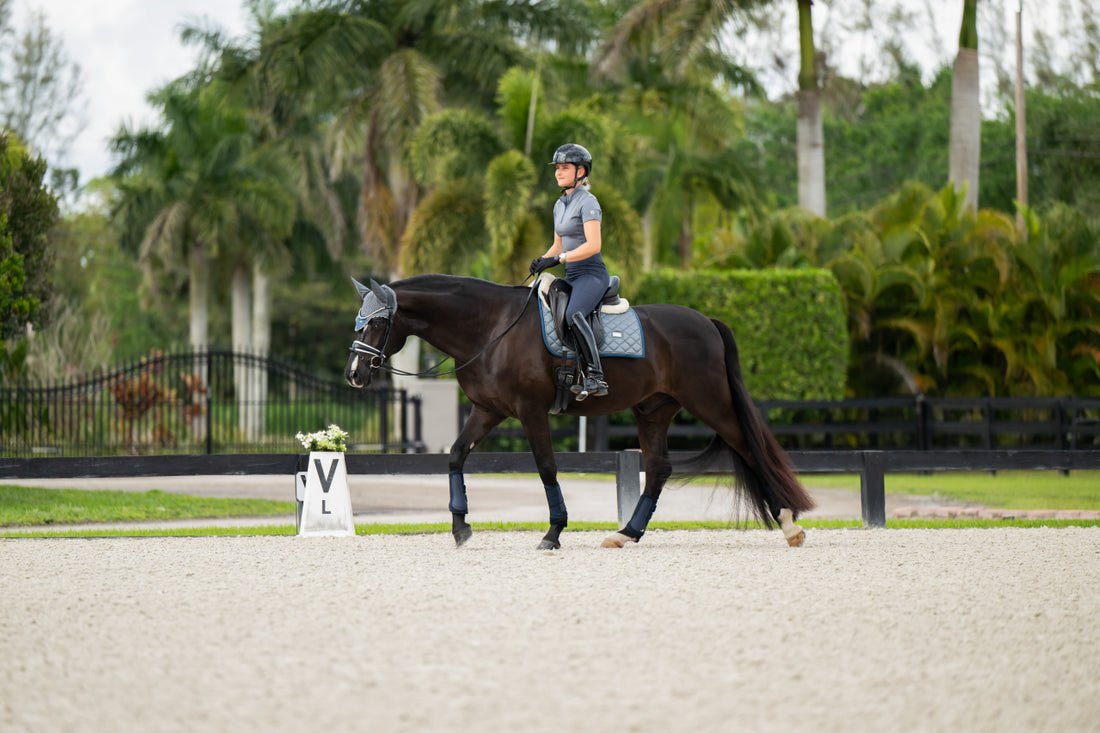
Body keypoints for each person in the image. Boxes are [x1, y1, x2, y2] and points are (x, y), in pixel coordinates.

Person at [529, 143, 609, 400]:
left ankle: (596, 376)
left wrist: (559, 258)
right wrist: (543, 259)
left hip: (591, 274)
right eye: (557, 168)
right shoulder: (559, 204)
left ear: (581, 171)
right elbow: (558, 245)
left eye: (564, 168)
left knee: (574, 314)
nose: (558, 173)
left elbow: (593, 245)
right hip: (571, 276)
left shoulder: (589, 202)